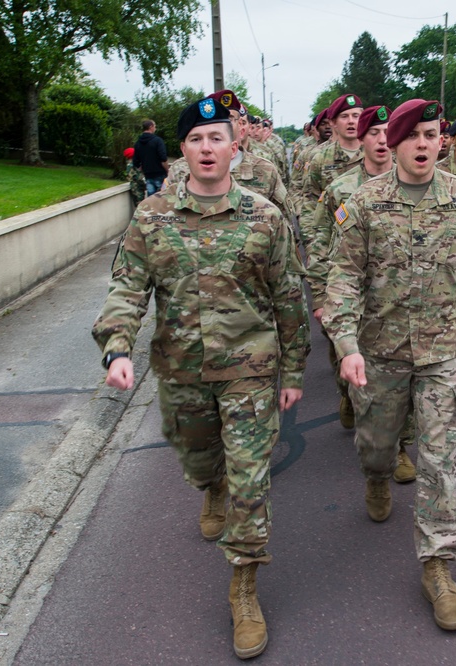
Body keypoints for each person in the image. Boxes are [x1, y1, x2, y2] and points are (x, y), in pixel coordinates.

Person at [92, 97, 310, 659]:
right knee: (197, 457)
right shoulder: (153, 216)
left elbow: (288, 298)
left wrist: (292, 368)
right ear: (180, 152)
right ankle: (207, 483)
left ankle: (243, 585)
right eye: (196, 140)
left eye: (217, 138)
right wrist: (117, 347)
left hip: (250, 372)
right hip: (182, 371)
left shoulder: (264, 215)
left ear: (236, 148)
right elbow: (127, 287)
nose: (207, 149)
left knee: (251, 481)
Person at [322, 98, 456, 631]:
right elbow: (343, 279)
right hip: (380, 351)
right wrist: (347, 345)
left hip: (445, 350)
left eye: (432, 134)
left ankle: (438, 565)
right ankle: (376, 477)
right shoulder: (363, 204)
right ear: (394, 143)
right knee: (377, 445)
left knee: (439, 459)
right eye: (414, 135)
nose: (425, 144)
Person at [306, 105, 417, 483]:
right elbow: (322, 243)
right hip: (357, 300)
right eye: (373, 132)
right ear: (361, 140)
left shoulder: (416, 184)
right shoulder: (341, 189)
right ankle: (348, 394)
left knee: (405, 379)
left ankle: (399, 446)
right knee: (358, 372)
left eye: (388, 131)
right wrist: (322, 296)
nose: (382, 140)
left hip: (403, 303)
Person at [164, 91, 293, 220]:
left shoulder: (264, 169)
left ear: (240, 124)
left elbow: (285, 221)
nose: (222, 124)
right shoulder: (179, 168)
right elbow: (162, 211)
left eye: (230, 118)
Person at [298, 94, 364, 245]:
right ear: (333, 123)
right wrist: (311, 244)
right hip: (332, 243)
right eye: (344, 116)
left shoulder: (377, 156)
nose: (351, 121)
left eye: (356, 116)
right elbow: (310, 203)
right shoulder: (320, 159)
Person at [132, 119, 168, 196]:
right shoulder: (157, 141)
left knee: (151, 199)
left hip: (148, 175)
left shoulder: (138, 143)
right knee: (163, 197)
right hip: (160, 174)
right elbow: (163, 158)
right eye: (155, 126)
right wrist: (168, 171)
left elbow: (135, 161)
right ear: (151, 127)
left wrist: (142, 168)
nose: (155, 128)